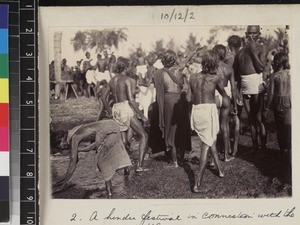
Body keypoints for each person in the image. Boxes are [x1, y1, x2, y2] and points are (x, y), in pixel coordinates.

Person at [186, 50, 226, 192]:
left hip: (196, 111)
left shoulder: (193, 77)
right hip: (208, 111)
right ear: (215, 63)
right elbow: (225, 95)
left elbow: (188, 99)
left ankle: (220, 170)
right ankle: (197, 184)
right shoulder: (216, 78)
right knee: (205, 146)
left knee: (209, 140)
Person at [101, 57, 149, 172]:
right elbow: (131, 100)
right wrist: (141, 116)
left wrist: (109, 111)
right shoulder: (127, 79)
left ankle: (126, 167)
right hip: (124, 108)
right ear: (126, 67)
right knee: (144, 135)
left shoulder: (112, 80)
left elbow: (103, 97)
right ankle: (140, 166)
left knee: (123, 140)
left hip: (116, 108)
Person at [153, 50, 190, 167]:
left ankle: (175, 162)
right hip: (180, 100)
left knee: (170, 130)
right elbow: (186, 61)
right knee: (182, 128)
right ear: (173, 60)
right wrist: (194, 52)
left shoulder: (158, 74)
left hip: (168, 101)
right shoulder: (178, 70)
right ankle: (182, 159)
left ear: (163, 61)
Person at [235, 25, 267, 151]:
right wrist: (238, 92)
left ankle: (263, 146)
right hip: (244, 84)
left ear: (259, 34)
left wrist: (253, 51)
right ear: (245, 34)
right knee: (250, 118)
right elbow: (238, 74)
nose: (252, 36)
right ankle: (255, 145)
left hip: (255, 82)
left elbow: (261, 68)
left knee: (258, 118)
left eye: (254, 33)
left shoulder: (261, 48)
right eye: (249, 33)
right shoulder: (241, 52)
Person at [213, 45, 237, 161]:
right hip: (226, 94)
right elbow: (233, 88)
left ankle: (212, 158)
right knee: (225, 125)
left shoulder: (211, 67)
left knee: (214, 126)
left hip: (215, 94)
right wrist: (235, 105)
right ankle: (226, 155)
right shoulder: (229, 68)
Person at [264, 52, 291, 157]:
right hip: (289, 101)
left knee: (280, 128)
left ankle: (283, 151)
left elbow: (270, 93)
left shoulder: (274, 76)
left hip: (278, 101)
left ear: (277, 62)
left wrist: (266, 108)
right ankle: (289, 151)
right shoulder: (290, 74)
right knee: (288, 127)